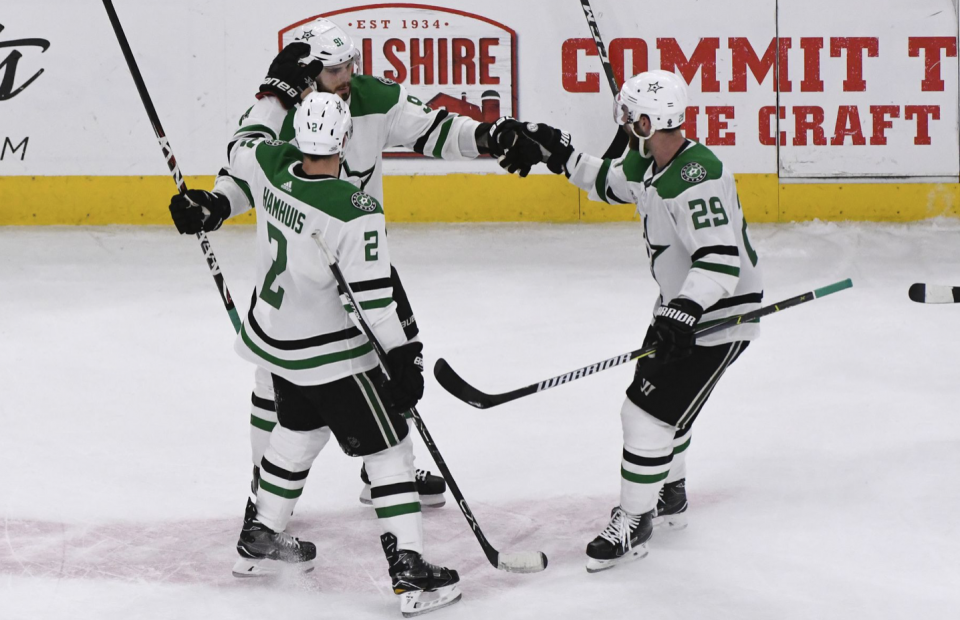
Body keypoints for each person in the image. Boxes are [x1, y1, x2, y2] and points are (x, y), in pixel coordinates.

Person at [168, 16, 538, 568]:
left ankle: (334, 488)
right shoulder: (287, 110)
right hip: (310, 276)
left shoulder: (367, 99)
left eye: (350, 65)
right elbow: (244, 177)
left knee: (320, 394)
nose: (346, 77)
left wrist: (489, 135)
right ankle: (271, 491)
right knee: (288, 387)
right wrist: (218, 204)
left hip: (352, 263)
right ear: (308, 72)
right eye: (334, 69)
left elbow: (434, 130)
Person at [201, 91, 461, 615]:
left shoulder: (269, 166)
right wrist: (405, 357)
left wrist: (272, 94)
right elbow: (374, 305)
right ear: (343, 139)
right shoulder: (354, 209)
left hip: (279, 347)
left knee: (297, 433)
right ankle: (410, 570)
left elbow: (243, 143)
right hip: (333, 358)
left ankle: (260, 537)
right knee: (390, 450)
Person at [507, 70, 763, 572]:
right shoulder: (651, 162)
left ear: (649, 122)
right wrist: (557, 153)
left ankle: (635, 520)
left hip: (717, 317)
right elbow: (609, 182)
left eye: (629, 116)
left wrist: (684, 312)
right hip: (681, 308)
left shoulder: (697, 177)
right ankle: (669, 493)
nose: (622, 122)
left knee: (644, 416)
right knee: (668, 409)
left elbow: (720, 261)